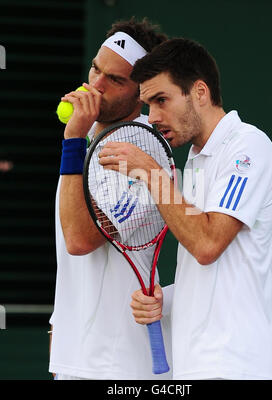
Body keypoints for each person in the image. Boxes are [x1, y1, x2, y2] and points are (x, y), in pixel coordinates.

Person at [99, 38, 272, 380]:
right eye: (147, 104)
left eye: (161, 100)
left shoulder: (248, 147)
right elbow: (213, 274)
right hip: (193, 369)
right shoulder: (195, 162)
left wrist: (151, 174)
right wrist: (165, 300)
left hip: (234, 369)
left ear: (199, 92)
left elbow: (208, 243)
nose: (152, 117)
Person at [49, 18, 172, 380]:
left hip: (119, 366)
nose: (96, 85)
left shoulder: (144, 149)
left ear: (142, 92)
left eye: (115, 80)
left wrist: (72, 141)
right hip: (75, 361)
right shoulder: (87, 144)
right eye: (96, 69)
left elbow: (80, 239)